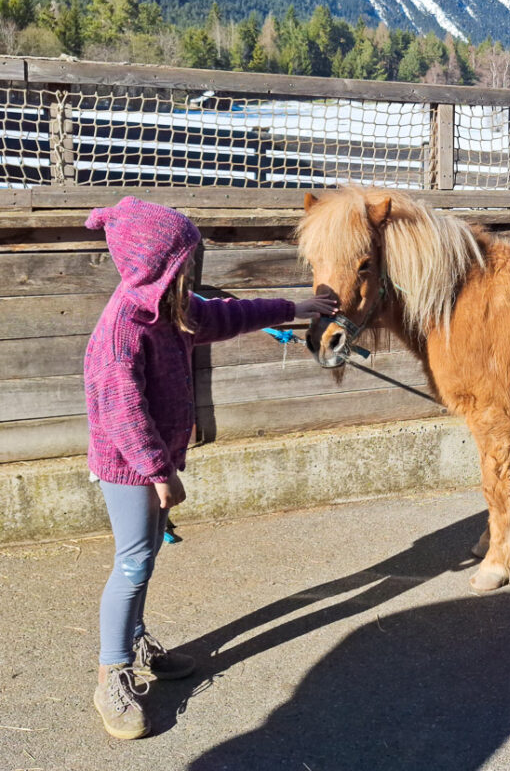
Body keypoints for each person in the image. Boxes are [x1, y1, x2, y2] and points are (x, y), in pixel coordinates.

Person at [84, 196, 336, 740]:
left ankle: (133, 639)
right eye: (186, 264)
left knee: (145, 557)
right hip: (128, 464)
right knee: (132, 563)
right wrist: (159, 473)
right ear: (159, 266)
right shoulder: (124, 327)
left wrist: (296, 307)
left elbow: (228, 316)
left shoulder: (170, 310)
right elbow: (124, 413)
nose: (194, 275)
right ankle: (112, 674)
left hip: (152, 459)